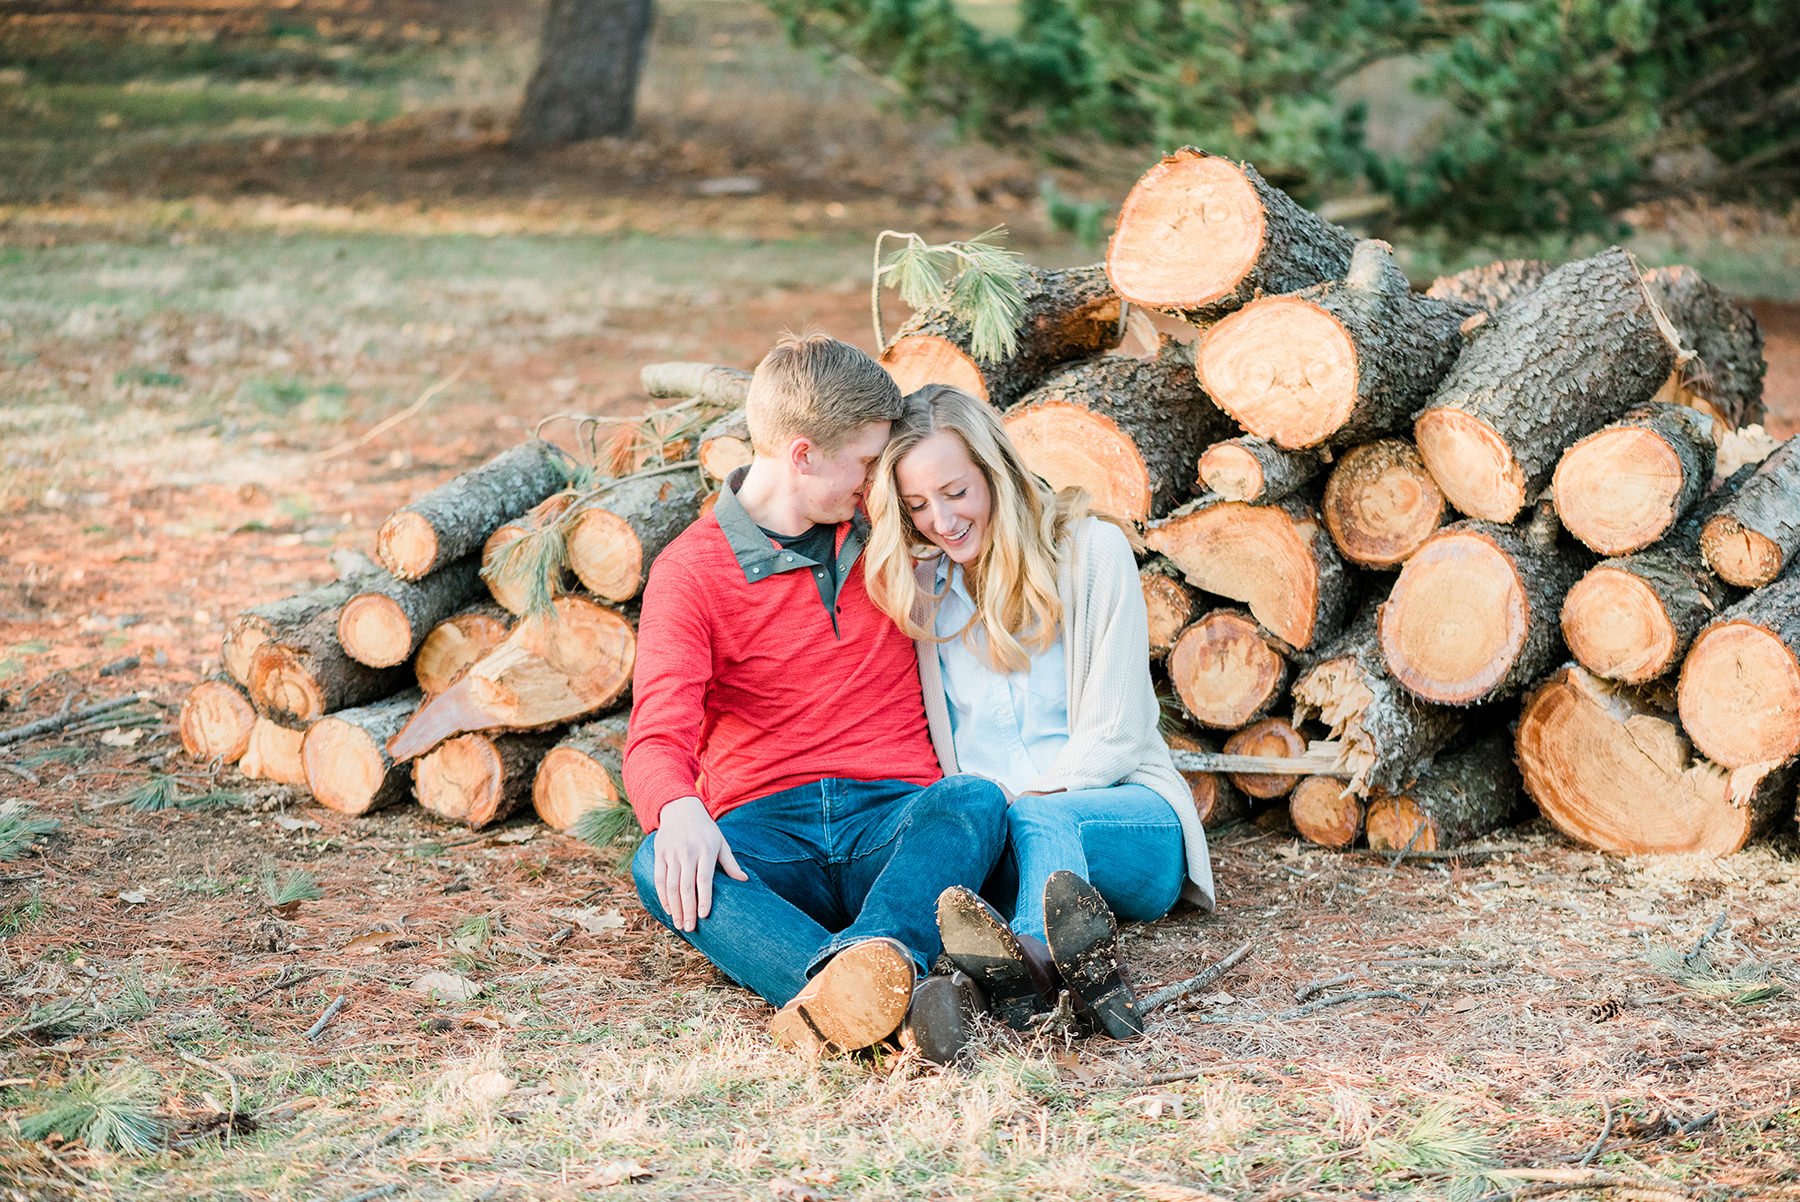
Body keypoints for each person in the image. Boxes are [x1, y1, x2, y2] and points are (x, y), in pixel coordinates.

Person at [623, 334, 1008, 1063]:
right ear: (803, 455)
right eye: (865, 463)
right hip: (768, 837)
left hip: (889, 821)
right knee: (656, 860)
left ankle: (856, 989)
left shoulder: (890, 531)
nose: (878, 482)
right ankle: (874, 988)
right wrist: (676, 809)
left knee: (975, 802)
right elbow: (655, 738)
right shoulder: (690, 572)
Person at [864, 384, 1216, 1040]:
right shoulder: (929, 595)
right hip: (1007, 848)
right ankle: (1026, 989)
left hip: (1127, 822)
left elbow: (1117, 734)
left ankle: (1033, 961)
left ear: (995, 472)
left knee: (1035, 813)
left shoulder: (1088, 553)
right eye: (917, 506)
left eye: (956, 492)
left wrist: (1019, 810)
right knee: (990, 850)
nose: (940, 520)